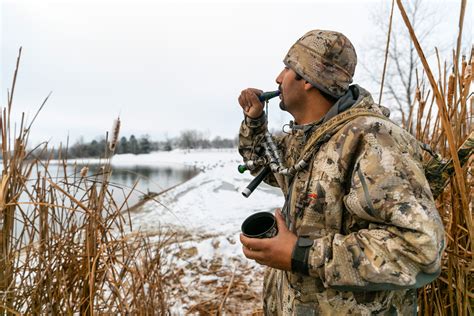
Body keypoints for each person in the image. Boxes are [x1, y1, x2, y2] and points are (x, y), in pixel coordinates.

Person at [237, 30, 445, 315]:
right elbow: (260, 165)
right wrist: (254, 119)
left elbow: (419, 250)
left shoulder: (372, 139)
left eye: (287, 67)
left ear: (308, 80)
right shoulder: (308, 138)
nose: (277, 78)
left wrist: (300, 253)